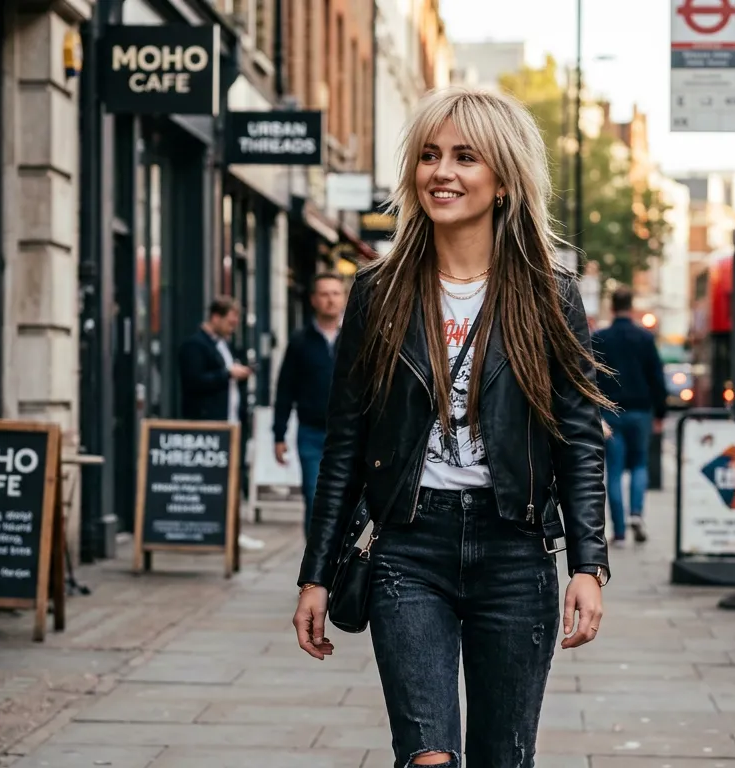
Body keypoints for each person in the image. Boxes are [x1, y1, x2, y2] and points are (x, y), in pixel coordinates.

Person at [291, 85, 612, 768]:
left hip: (515, 550)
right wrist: (315, 575)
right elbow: (344, 442)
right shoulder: (378, 293)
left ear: (502, 180)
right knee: (427, 756)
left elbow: (578, 438)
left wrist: (590, 564)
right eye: (430, 156)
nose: (443, 172)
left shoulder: (549, 295)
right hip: (409, 549)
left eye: (466, 157)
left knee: (505, 755)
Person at [591, 287, 668, 546]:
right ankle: (636, 513)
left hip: (610, 412)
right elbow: (656, 377)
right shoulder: (644, 338)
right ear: (631, 307)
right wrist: (660, 412)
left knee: (613, 471)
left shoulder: (600, 338)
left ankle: (620, 531)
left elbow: (590, 378)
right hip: (640, 411)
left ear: (612, 308)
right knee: (639, 465)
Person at [273, 271, 347, 531]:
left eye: (336, 293)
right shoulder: (300, 342)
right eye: (324, 294)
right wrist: (278, 435)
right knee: (314, 496)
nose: (330, 300)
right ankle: (314, 567)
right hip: (311, 433)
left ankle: (338, 562)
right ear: (314, 300)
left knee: (345, 501)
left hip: (349, 433)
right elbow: (285, 390)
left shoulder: (356, 338)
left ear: (344, 298)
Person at [179, 297, 252, 424]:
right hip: (208, 422)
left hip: (231, 419)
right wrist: (228, 373)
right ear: (216, 318)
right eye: (230, 323)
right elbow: (194, 381)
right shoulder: (195, 345)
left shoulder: (224, 344)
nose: (232, 329)